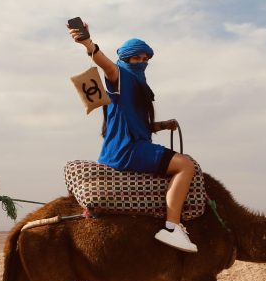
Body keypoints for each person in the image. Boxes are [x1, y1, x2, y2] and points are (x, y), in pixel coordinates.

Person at [68, 22, 198, 253]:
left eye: (144, 58)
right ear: (126, 60)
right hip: (128, 150)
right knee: (185, 166)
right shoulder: (121, 76)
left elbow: (136, 124)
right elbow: (105, 65)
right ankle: (172, 227)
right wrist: (88, 43)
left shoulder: (138, 84)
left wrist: (159, 125)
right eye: (135, 58)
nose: (141, 62)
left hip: (132, 145)